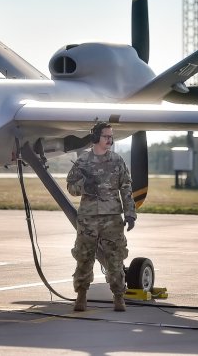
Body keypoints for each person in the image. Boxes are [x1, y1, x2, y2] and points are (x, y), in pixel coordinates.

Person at [66, 122, 136, 312]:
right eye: (106, 136)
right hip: (88, 218)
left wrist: (130, 213)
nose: (110, 140)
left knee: (115, 258)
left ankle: (119, 296)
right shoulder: (83, 162)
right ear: (96, 138)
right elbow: (71, 187)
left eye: (111, 137)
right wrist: (83, 185)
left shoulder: (117, 161)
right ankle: (81, 295)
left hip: (112, 218)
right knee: (84, 257)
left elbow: (126, 187)